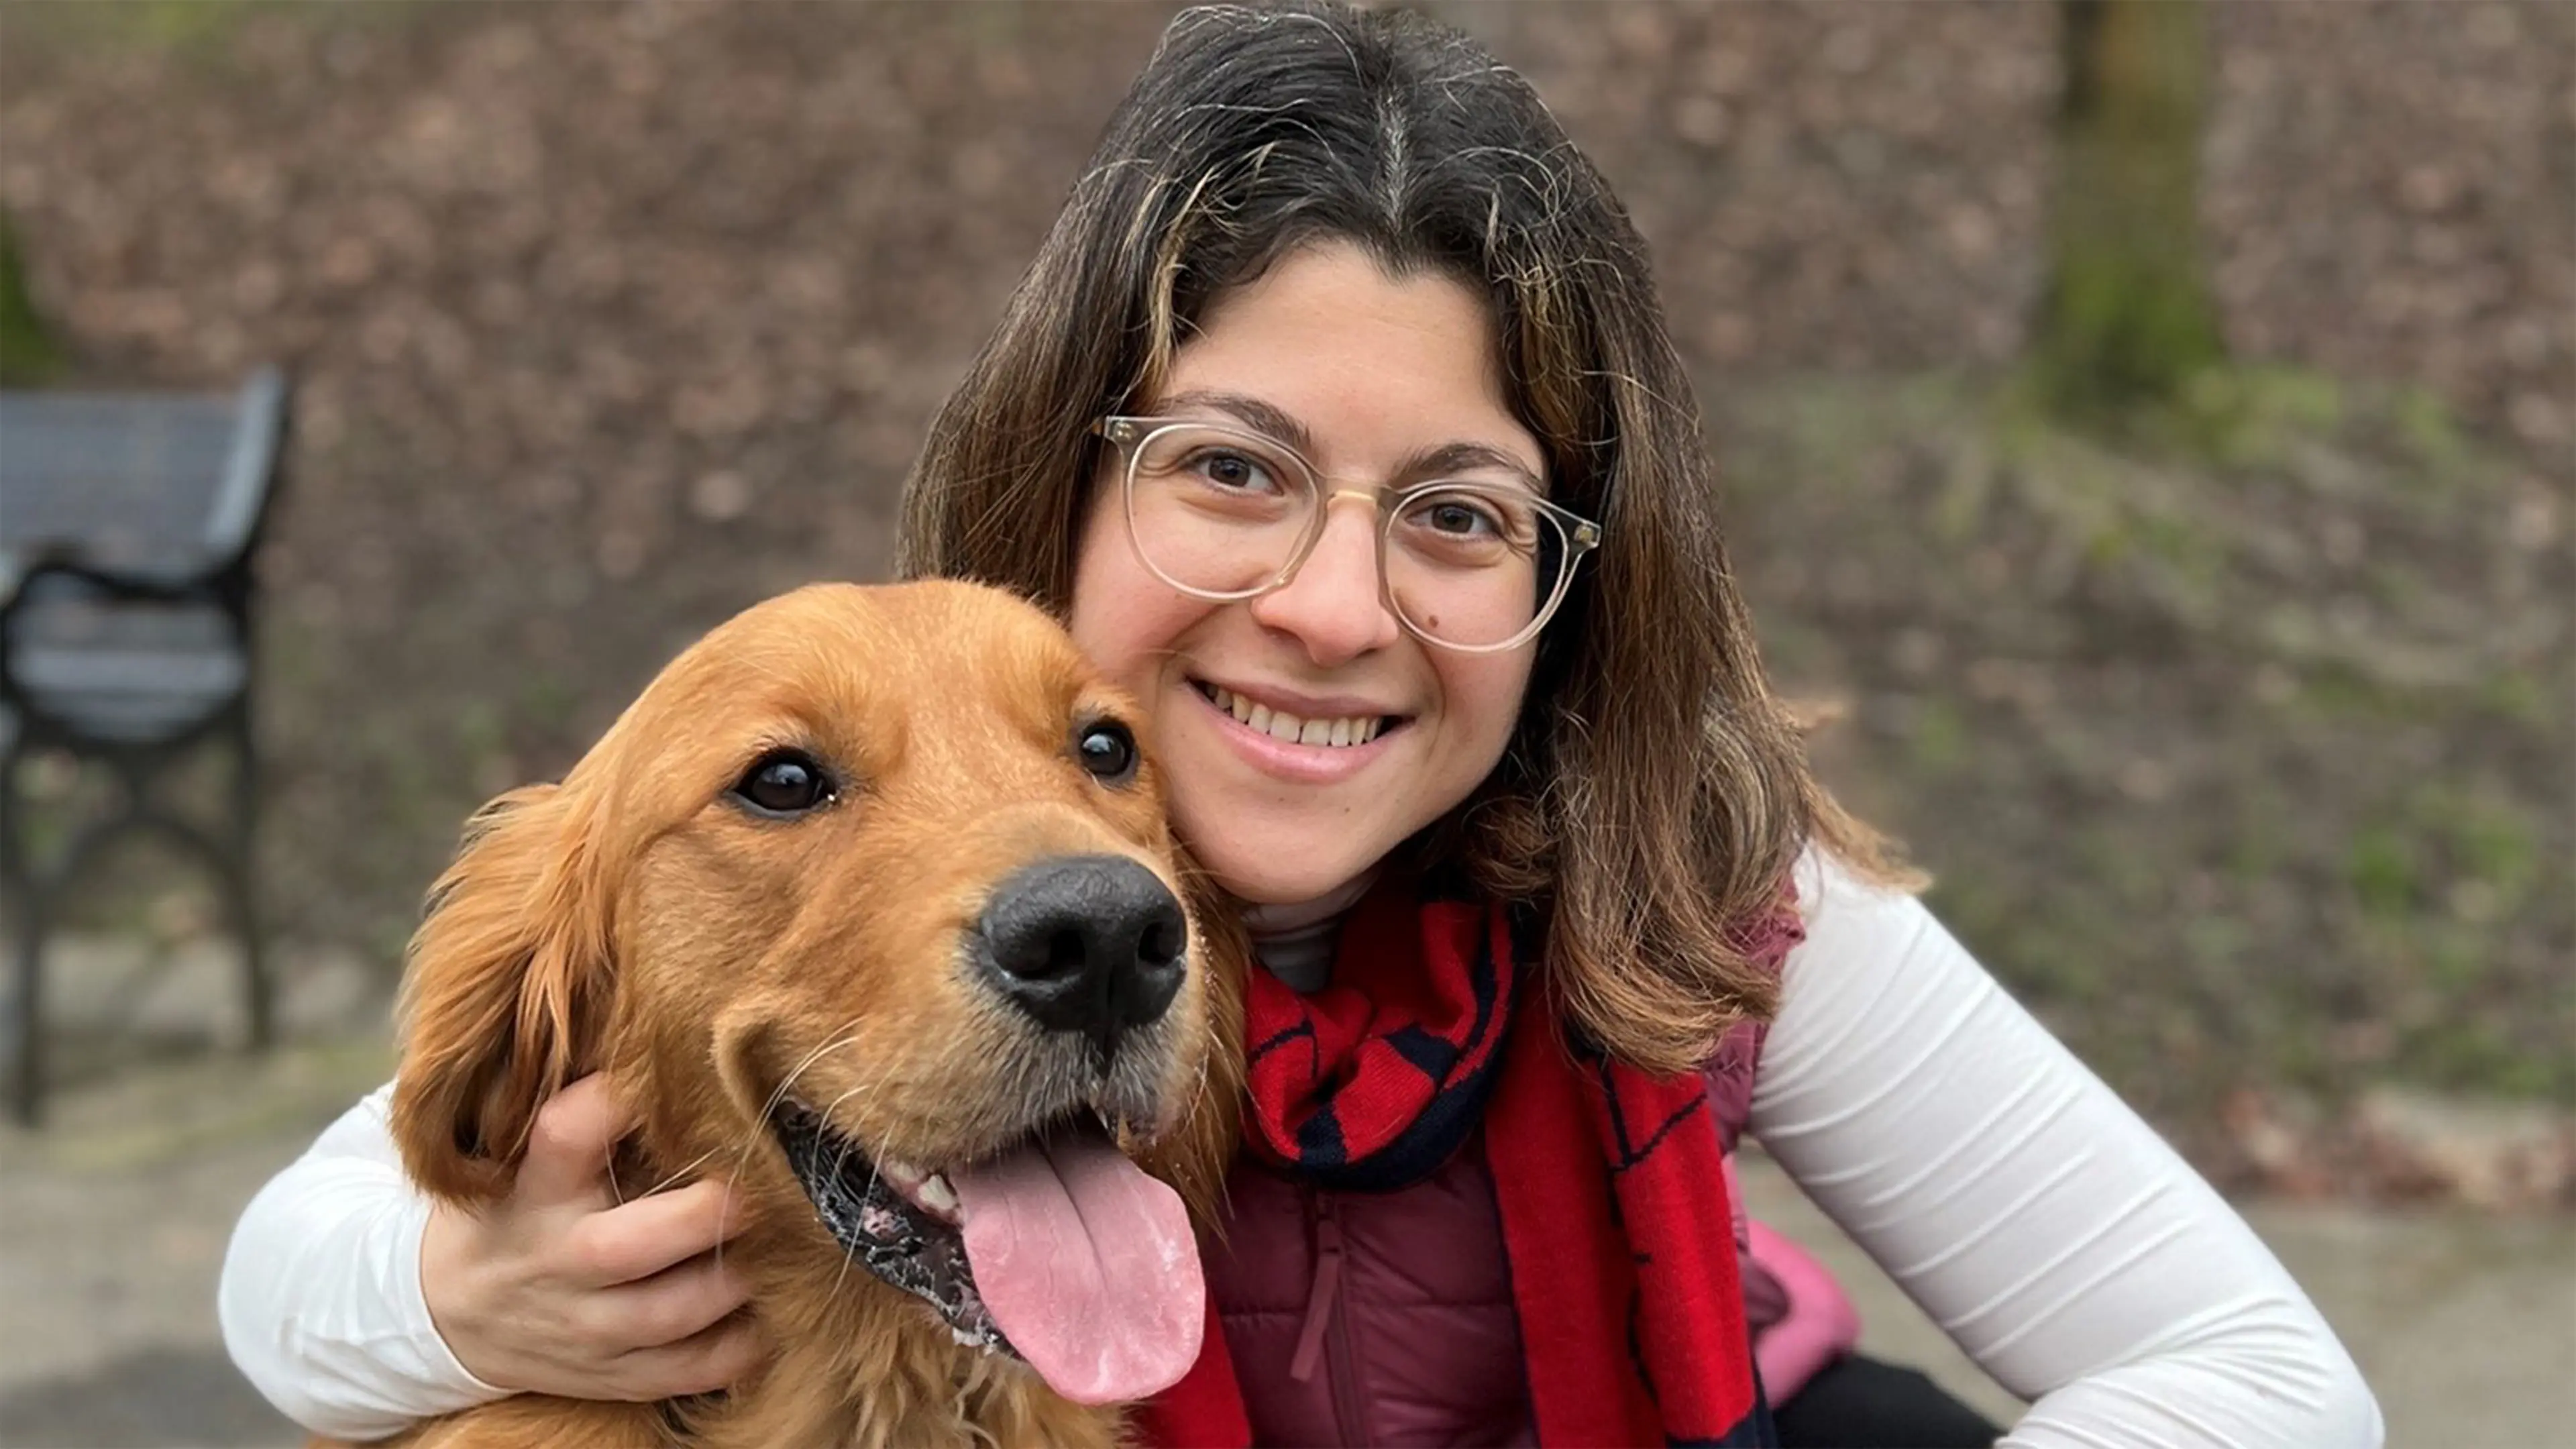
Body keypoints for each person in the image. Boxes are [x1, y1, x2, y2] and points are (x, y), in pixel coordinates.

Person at [219, 4, 2383, 1445]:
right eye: (1234, 470)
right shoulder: (858, 772)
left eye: (1457, 513)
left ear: (1568, 587)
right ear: (1071, 484)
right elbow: (311, 1240)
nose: (1332, 610)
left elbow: (2262, 1373)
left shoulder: (1692, 897)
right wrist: (454, 1297)